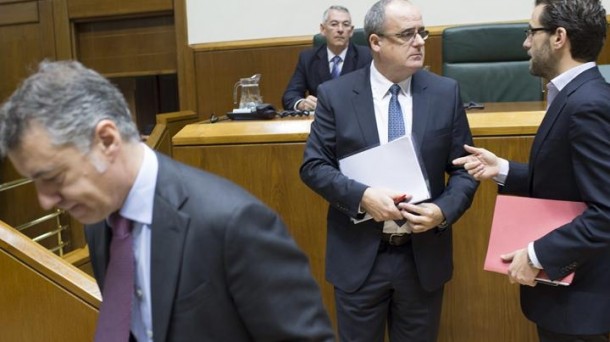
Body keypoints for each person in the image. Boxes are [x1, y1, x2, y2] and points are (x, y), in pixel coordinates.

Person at [0, 60, 335, 342]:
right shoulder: (102, 222)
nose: (45, 201)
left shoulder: (232, 224)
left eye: (54, 178)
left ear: (106, 140)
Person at [300, 0, 479, 340]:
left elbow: (465, 170)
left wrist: (442, 211)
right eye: (407, 34)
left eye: (422, 32)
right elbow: (313, 166)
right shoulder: (336, 95)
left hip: (421, 258)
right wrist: (363, 196)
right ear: (376, 42)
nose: (420, 41)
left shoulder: (445, 92)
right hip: (359, 259)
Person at [453, 0, 610, 340]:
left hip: (580, 301)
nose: (525, 43)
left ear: (559, 37)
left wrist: (538, 254)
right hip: (571, 298)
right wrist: (504, 169)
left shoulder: (588, 105)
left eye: (531, 31)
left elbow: (605, 211)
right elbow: (568, 185)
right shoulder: (577, 95)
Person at [282, 5, 371, 112]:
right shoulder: (308, 58)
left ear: (351, 31)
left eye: (345, 25)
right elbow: (290, 96)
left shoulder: (367, 56)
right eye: (334, 24)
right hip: (321, 122)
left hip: (355, 120)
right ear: (323, 29)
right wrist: (301, 104)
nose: (340, 30)